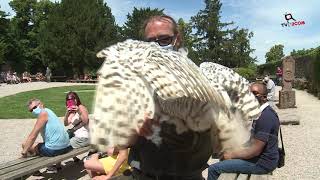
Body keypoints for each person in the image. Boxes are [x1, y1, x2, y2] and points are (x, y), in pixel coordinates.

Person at [127, 15, 212, 180]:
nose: (156, 47)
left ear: (177, 40)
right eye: (149, 42)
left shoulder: (197, 78)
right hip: (144, 173)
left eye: (164, 39)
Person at [207, 82, 280, 180]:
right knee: (224, 156)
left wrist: (232, 155)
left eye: (255, 93)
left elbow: (255, 151)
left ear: (264, 97)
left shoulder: (266, 117)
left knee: (213, 169)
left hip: (262, 163)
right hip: (261, 159)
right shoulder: (261, 112)